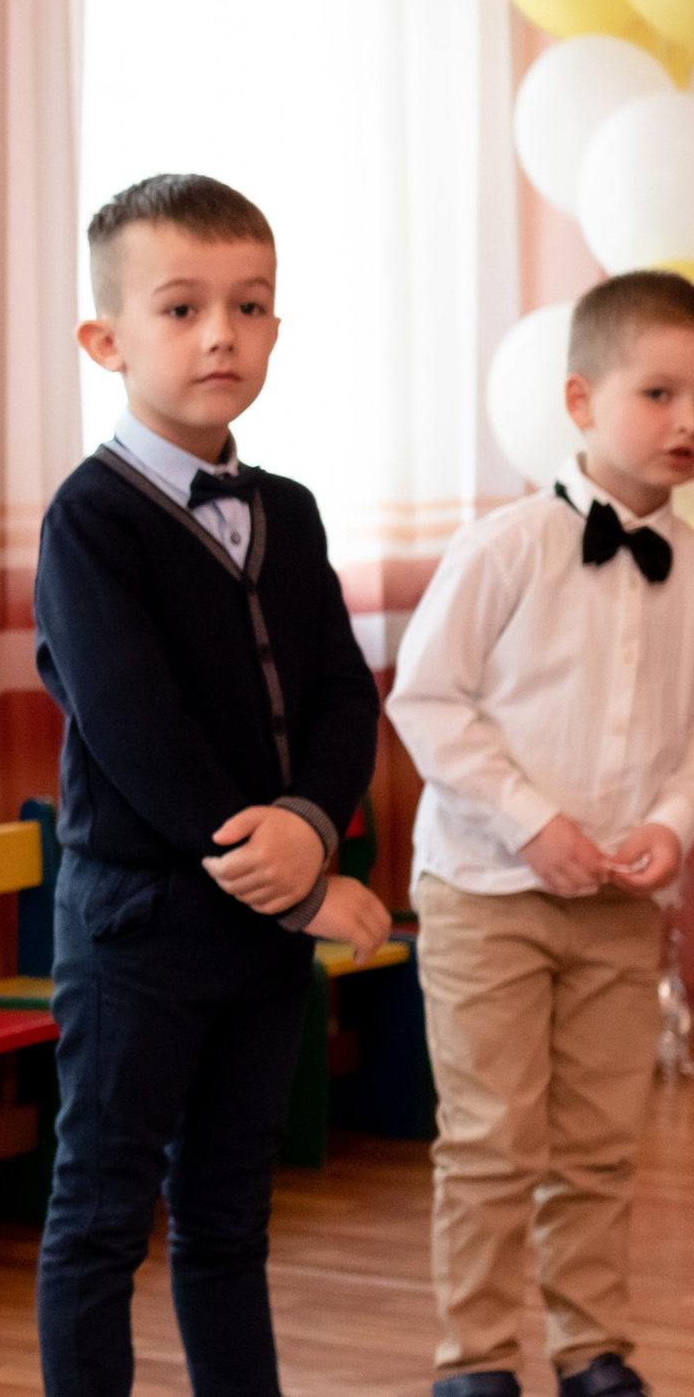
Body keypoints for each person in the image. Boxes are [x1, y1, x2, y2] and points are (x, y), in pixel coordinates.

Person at [31, 173, 392, 1397]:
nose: (220, 335)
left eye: (249, 307)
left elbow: (343, 695)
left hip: (260, 931)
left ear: (277, 330)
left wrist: (311, 827)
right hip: (142, 923)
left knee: (231, 1211)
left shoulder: (285, 510)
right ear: (106, 338)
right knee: (100, 1214)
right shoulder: (90, 521)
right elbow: (136, 729)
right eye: (180, 308)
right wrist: (291, 887)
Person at [388, 268, 694, 1397]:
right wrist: (532, 825)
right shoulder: (504, 547)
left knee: (599, 1142)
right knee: (489, 1141)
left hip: (621, 902)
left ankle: (591, 1347)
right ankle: (472, 1358)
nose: (686, 422)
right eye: (658, 393)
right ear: (579, 401)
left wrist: (670, 825)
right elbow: (427, 701)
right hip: (485, 892)